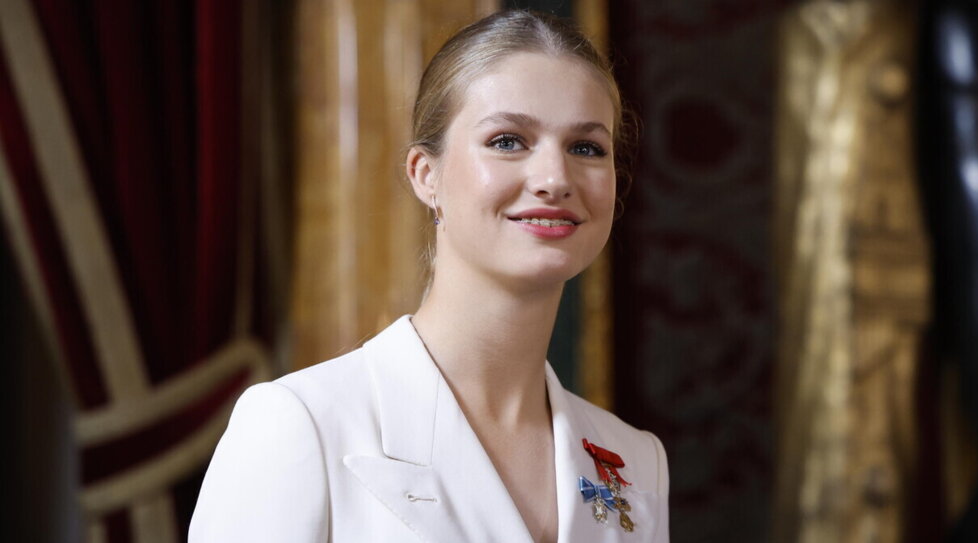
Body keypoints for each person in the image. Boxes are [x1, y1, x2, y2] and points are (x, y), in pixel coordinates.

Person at [189, 10, 669, 543]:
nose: (555, 178)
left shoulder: (636, 460)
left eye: (586, 148)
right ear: (426, 174)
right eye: (508, 140)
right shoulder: (300, 423)